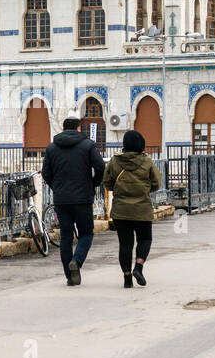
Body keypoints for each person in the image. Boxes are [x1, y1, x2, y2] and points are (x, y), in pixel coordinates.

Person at [41, 117, 105, 286]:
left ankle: (70, 277)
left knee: (66, 238)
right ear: (78, 129)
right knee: (86, 233)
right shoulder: (88, 145)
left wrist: (57, 187)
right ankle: (76, 261)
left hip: (62, 200)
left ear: (63, 128)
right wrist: (94, 184)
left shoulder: (52, 148)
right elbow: (100, 167)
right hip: (83, 198)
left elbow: (45, 173)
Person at [102, 129, 162, 288]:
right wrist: (144, 189)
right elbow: (156, 183)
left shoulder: (114, 162)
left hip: (121, 211)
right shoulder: (147, 162)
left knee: (125, 244)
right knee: (145, 239)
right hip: (142, 209)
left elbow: (107, 183)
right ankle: (139, 267)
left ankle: (127, 277)